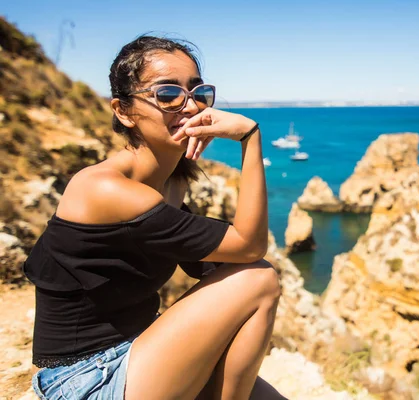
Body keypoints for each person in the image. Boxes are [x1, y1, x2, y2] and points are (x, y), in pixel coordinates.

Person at [24, 35, 285, 399]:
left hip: (136, 353)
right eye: (167, 94)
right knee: (259, 278)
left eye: (198, 93)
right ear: (123, 110)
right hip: (86, 379)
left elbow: (214, 264)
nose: (190, 107)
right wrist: (250, 139)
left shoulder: (168, 186)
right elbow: (249, 247)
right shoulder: (104, 189)